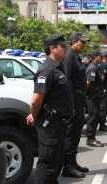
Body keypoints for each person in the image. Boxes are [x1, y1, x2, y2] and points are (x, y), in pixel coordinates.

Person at [26, 34, 73, 184]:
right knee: (47, 163)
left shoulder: (58, 67)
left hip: (59, 123)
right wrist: (33, 115)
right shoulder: (46, 69)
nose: (65, 48)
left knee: (56, 162)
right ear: (52, 48)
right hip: (50, 124)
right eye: (62, 46)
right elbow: (36, 100)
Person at [62, 32, 89, 178]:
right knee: (71, 134)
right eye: (82, 42)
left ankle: (73, 162)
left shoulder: (75, 56)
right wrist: (70, 104)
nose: (84, 45)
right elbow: (66, 81)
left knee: (76, 132)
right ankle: (67, 167)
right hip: (73, 100)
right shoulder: (69, 56)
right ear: (74, 42)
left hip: (78, 98)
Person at [85, 51, 105, 147]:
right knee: (92, 117)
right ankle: (90, 139)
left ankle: (92, 137)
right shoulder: (92, 68)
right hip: (92, 97)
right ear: (96, 57)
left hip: (95, 97)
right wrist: (86, 95)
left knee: (95, 116)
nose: (102, 58)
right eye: (100, 56)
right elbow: (88, 83)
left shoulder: (95, 67)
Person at [98, 51, 107, 132]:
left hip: (104, 88)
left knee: (103, 107)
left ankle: (102, 124)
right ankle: (101, 125)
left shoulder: (102, 65)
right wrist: (103, 88)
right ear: (105, 57)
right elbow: (102, 78)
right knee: (103, 108)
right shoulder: (103, 65)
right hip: (104, 89)